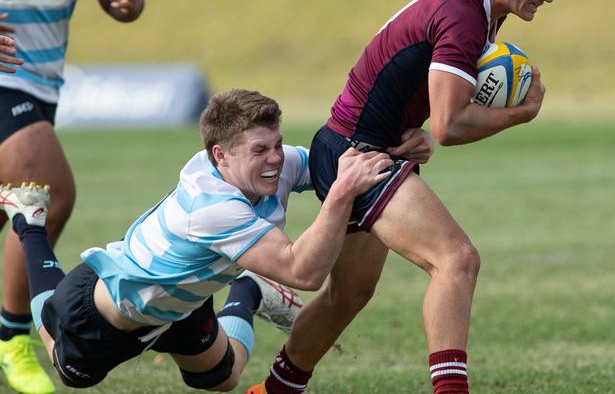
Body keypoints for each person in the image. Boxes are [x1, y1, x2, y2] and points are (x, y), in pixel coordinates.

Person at [245, 0, 581, 393]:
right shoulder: (467, 15)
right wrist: (520, 113)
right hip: (357, 155)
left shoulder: (477, 4)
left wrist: (412, 125)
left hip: (361, 145)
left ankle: (272, 391)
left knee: (349, 294)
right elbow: (451, 125)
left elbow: (420, 99)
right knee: (456, 260)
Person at [0, 88, 402, 391]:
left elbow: (333, 165)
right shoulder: (211, 207)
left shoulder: (267, 167)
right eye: (260, 150)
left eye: (278, 144)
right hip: (108, 312)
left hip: (181, 303)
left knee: (222, 379)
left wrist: (396, 150)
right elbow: (305, 271)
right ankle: (31, 224)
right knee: (65, 364)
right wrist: (342, 192)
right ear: (220, 155)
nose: (277, 158)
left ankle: (250, 288)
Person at [0, 0, 145, 392]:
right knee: (48, 194)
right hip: (5, 84)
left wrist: (128, 0)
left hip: (42, 88)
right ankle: (13, 339)